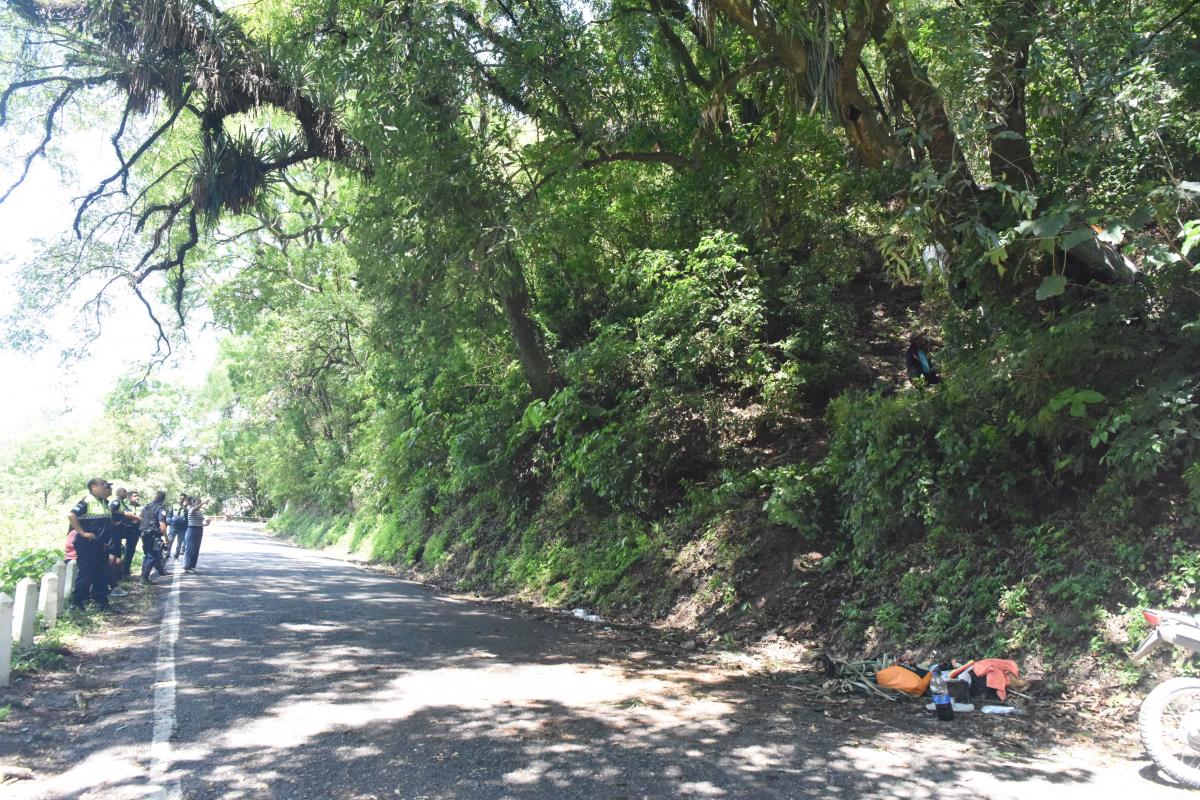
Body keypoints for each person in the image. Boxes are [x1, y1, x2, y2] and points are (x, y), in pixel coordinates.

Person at [67, 478, 116, 610]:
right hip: (87, 544)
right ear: (93, 487)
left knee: (102, 572)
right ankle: (78, 602)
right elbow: (72, 515)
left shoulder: (104, 503)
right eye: (104, 485)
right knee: (86, 572)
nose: (107, 488)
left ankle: (100, 600)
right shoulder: (87, 500)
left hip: (100, 545)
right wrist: (82, 532)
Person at [110, 487, 141, 585]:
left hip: (133, 531)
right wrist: (125, 515)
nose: (137, 498)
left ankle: (124, 572)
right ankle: (115, 576)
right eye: (135, 496)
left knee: (128, 551)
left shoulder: (139, 507)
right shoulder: (118, 502)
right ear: (128, 496)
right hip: (120, 531)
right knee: (114, 553)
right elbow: (111, 511)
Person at [138, 490, 170, 583]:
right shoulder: (160, 509)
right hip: (153, 535)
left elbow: (140, 518)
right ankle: (143, 579)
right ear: (163, 499)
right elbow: (162, 524)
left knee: (151, 554)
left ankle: (156, 572)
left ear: (155, 497)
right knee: (151, 556)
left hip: (144, 533)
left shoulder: (147, 506)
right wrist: (166, 538)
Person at [182, 496, 207, 572]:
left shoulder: (199, 512)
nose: (199, 503)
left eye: (200, 502)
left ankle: (191, 566)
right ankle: (186, 566)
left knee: (196, 548)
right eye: (197, 502)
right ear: (193, 503)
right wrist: (203, 503)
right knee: (190, 548)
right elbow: (193, 511)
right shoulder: (190, 509)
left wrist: (206, 524)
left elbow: (200, 522)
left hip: (199, 529)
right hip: (192, 530)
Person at [167, 494, 188, 559]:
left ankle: (176, 554)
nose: (181, 500)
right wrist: (171, 522)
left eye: (183, 498)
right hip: (173, 526)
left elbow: (188, 517)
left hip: (182, 527)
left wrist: (185, 508)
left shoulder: (187, 508)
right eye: (180, 498)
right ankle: (167, 553)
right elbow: (168, 516)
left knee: (180, 542)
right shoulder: (173, 506)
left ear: (185, 499)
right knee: (170, 540)